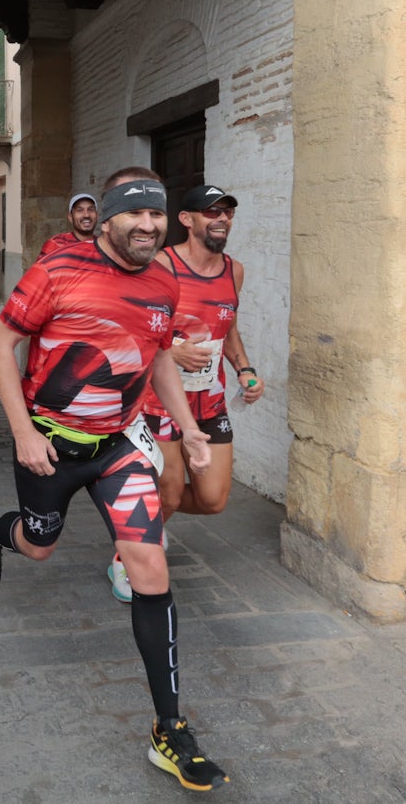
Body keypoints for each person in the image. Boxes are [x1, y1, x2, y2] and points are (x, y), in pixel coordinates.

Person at [0, 166, 228, 793]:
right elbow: (0, 343)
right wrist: (22, 431)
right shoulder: (57, 270)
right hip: (49, 448)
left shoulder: (163, 281)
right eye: (135, 213)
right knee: (39, 545)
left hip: (118, 448)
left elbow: (158, 354)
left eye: (157, 213)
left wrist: (189, 427)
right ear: (107, 218)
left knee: (150, 570)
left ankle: (169, 729)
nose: (148, 225)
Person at [108, 183, 264, 603]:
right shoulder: (160, 265)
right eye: (211, 211)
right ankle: (128, 553)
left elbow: (228, 328)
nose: (222, 219)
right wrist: (172, 352)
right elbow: (127, 327)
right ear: (186, 219)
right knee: (171, 490)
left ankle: (142, 517)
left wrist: (245, 370)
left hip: (209, 402)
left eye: (227, 212)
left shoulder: (235, 271)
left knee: (213, 500)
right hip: (159, 401)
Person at [36, 192, 98, 259]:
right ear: (70, 217)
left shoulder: (102, 246)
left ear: (97, 215)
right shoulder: (56, 244)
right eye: (80, 210)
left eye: (91, 210)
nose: (86, 215)